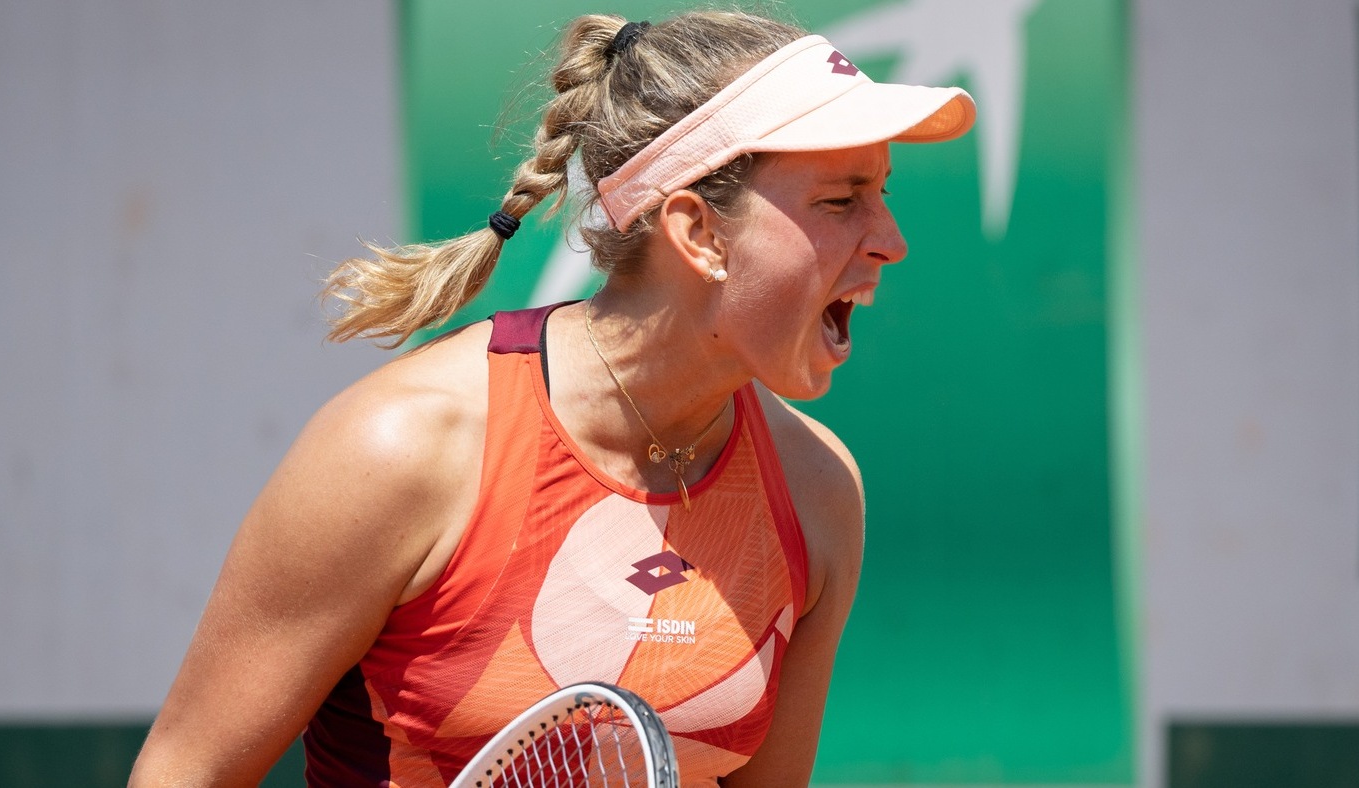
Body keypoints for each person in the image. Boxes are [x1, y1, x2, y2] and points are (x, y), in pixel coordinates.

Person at [130, 9, 974, 787]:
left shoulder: (816, 489)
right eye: (840, 201)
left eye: (882, 193)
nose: (891, 240)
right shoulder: (404, 450)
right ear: (698, 233)